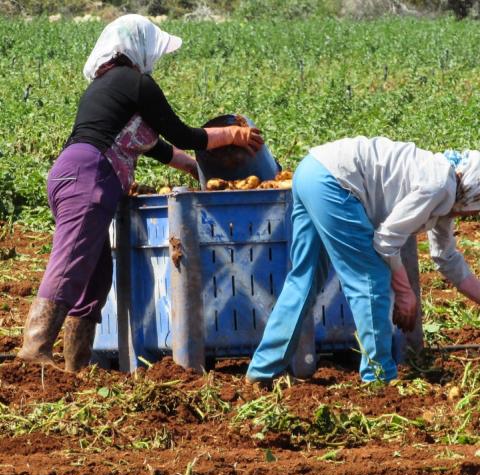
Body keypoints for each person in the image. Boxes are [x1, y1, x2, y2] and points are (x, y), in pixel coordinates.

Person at [18, 14, 263, 372]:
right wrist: (232, 136)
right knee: (71, 261)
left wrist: (195, 168)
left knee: (96, 275)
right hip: (90, 177)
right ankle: (34, 349)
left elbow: (157, 146)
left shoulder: (109, 87)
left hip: (73, 175)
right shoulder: (136, 83)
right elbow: (183, 135)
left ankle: (75, 367)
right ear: (138, 46)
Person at [246, 136, 480, 384]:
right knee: (371, 278)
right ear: (473, 192)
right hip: (334, 182)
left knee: (306, 278)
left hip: (312, 171)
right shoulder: (439, 185)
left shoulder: (448, 188)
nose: (473, 215)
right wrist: (404, 292)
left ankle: (264, 369)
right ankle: (378, 377)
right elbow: (387, 239)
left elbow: (446, 258)